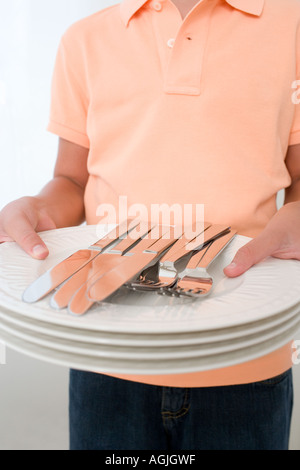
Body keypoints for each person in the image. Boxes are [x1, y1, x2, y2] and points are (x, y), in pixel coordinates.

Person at [0, 0, 300, 450]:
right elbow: (71, 179)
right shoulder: (85, 38)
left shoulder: (292, 24)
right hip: (104, 347)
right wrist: (41, 207)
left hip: (242, 355)